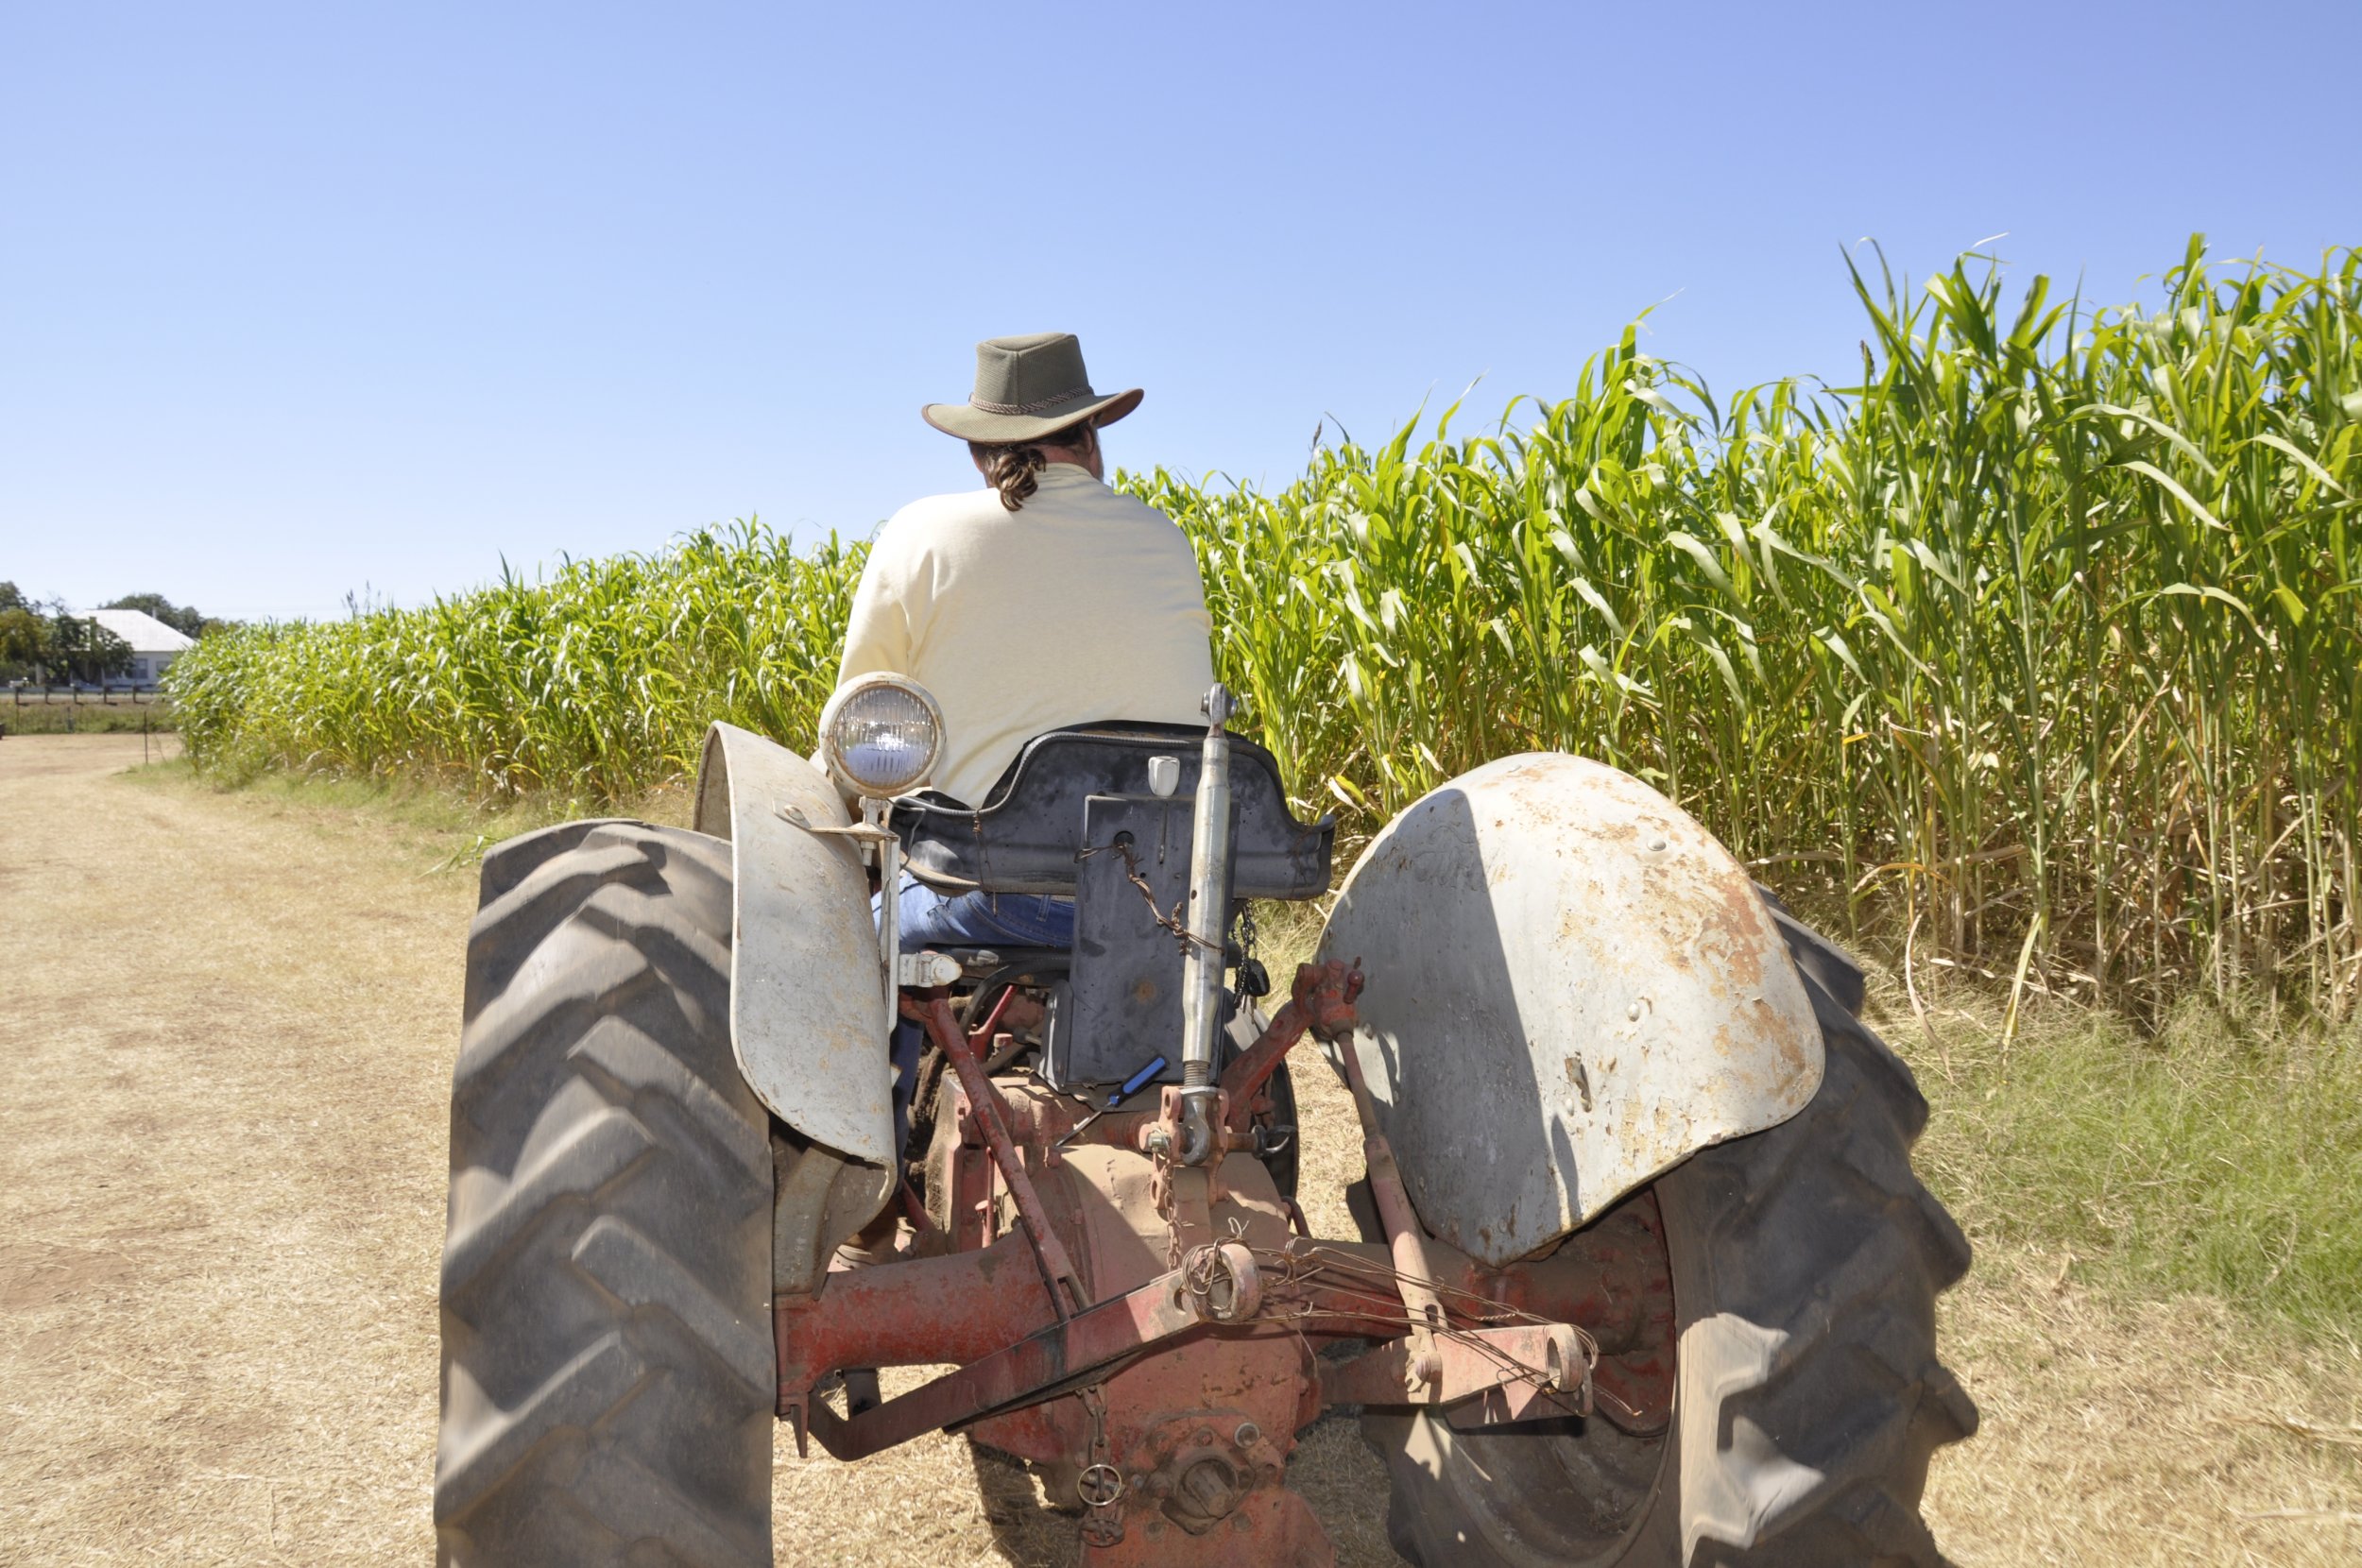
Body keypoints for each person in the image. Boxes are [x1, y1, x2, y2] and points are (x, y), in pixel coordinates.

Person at [835, 331, 1215, 952]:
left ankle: (893, 1051)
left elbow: (856, 726)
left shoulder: (921, 533)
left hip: (994, 896)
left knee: (843, 951)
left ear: (977, 451)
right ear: (1089, 436)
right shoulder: (1165, 540)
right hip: (1160, 902)